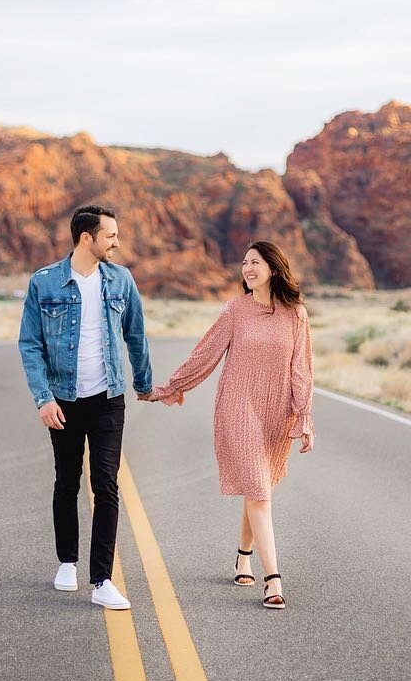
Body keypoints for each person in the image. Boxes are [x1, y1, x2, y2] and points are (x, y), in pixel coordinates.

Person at [141, 240, 314, 610]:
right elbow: (206, 353)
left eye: (255, 262)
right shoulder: (235, 310)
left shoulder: (295, 314)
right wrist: (171, 388)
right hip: (237, 408)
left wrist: (304, 416)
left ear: (273, 267)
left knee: (259, 488)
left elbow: (301, 370)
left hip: (275, 412)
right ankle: (273, 580)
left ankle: (243, 556)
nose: (247, 268)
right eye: (244, 263)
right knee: (258, 489)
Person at [19, 205, 153, 610]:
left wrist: (144, 384)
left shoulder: (121, 280)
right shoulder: (44, 283)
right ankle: (67, 561)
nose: (117, 242)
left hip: (108, 398)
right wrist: (43, 398)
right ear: (86, 237)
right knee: (67, 481)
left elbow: (136, 335)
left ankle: (101, 580)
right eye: (110, 235)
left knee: (107, 485)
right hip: (63, 399)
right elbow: (30, 344)